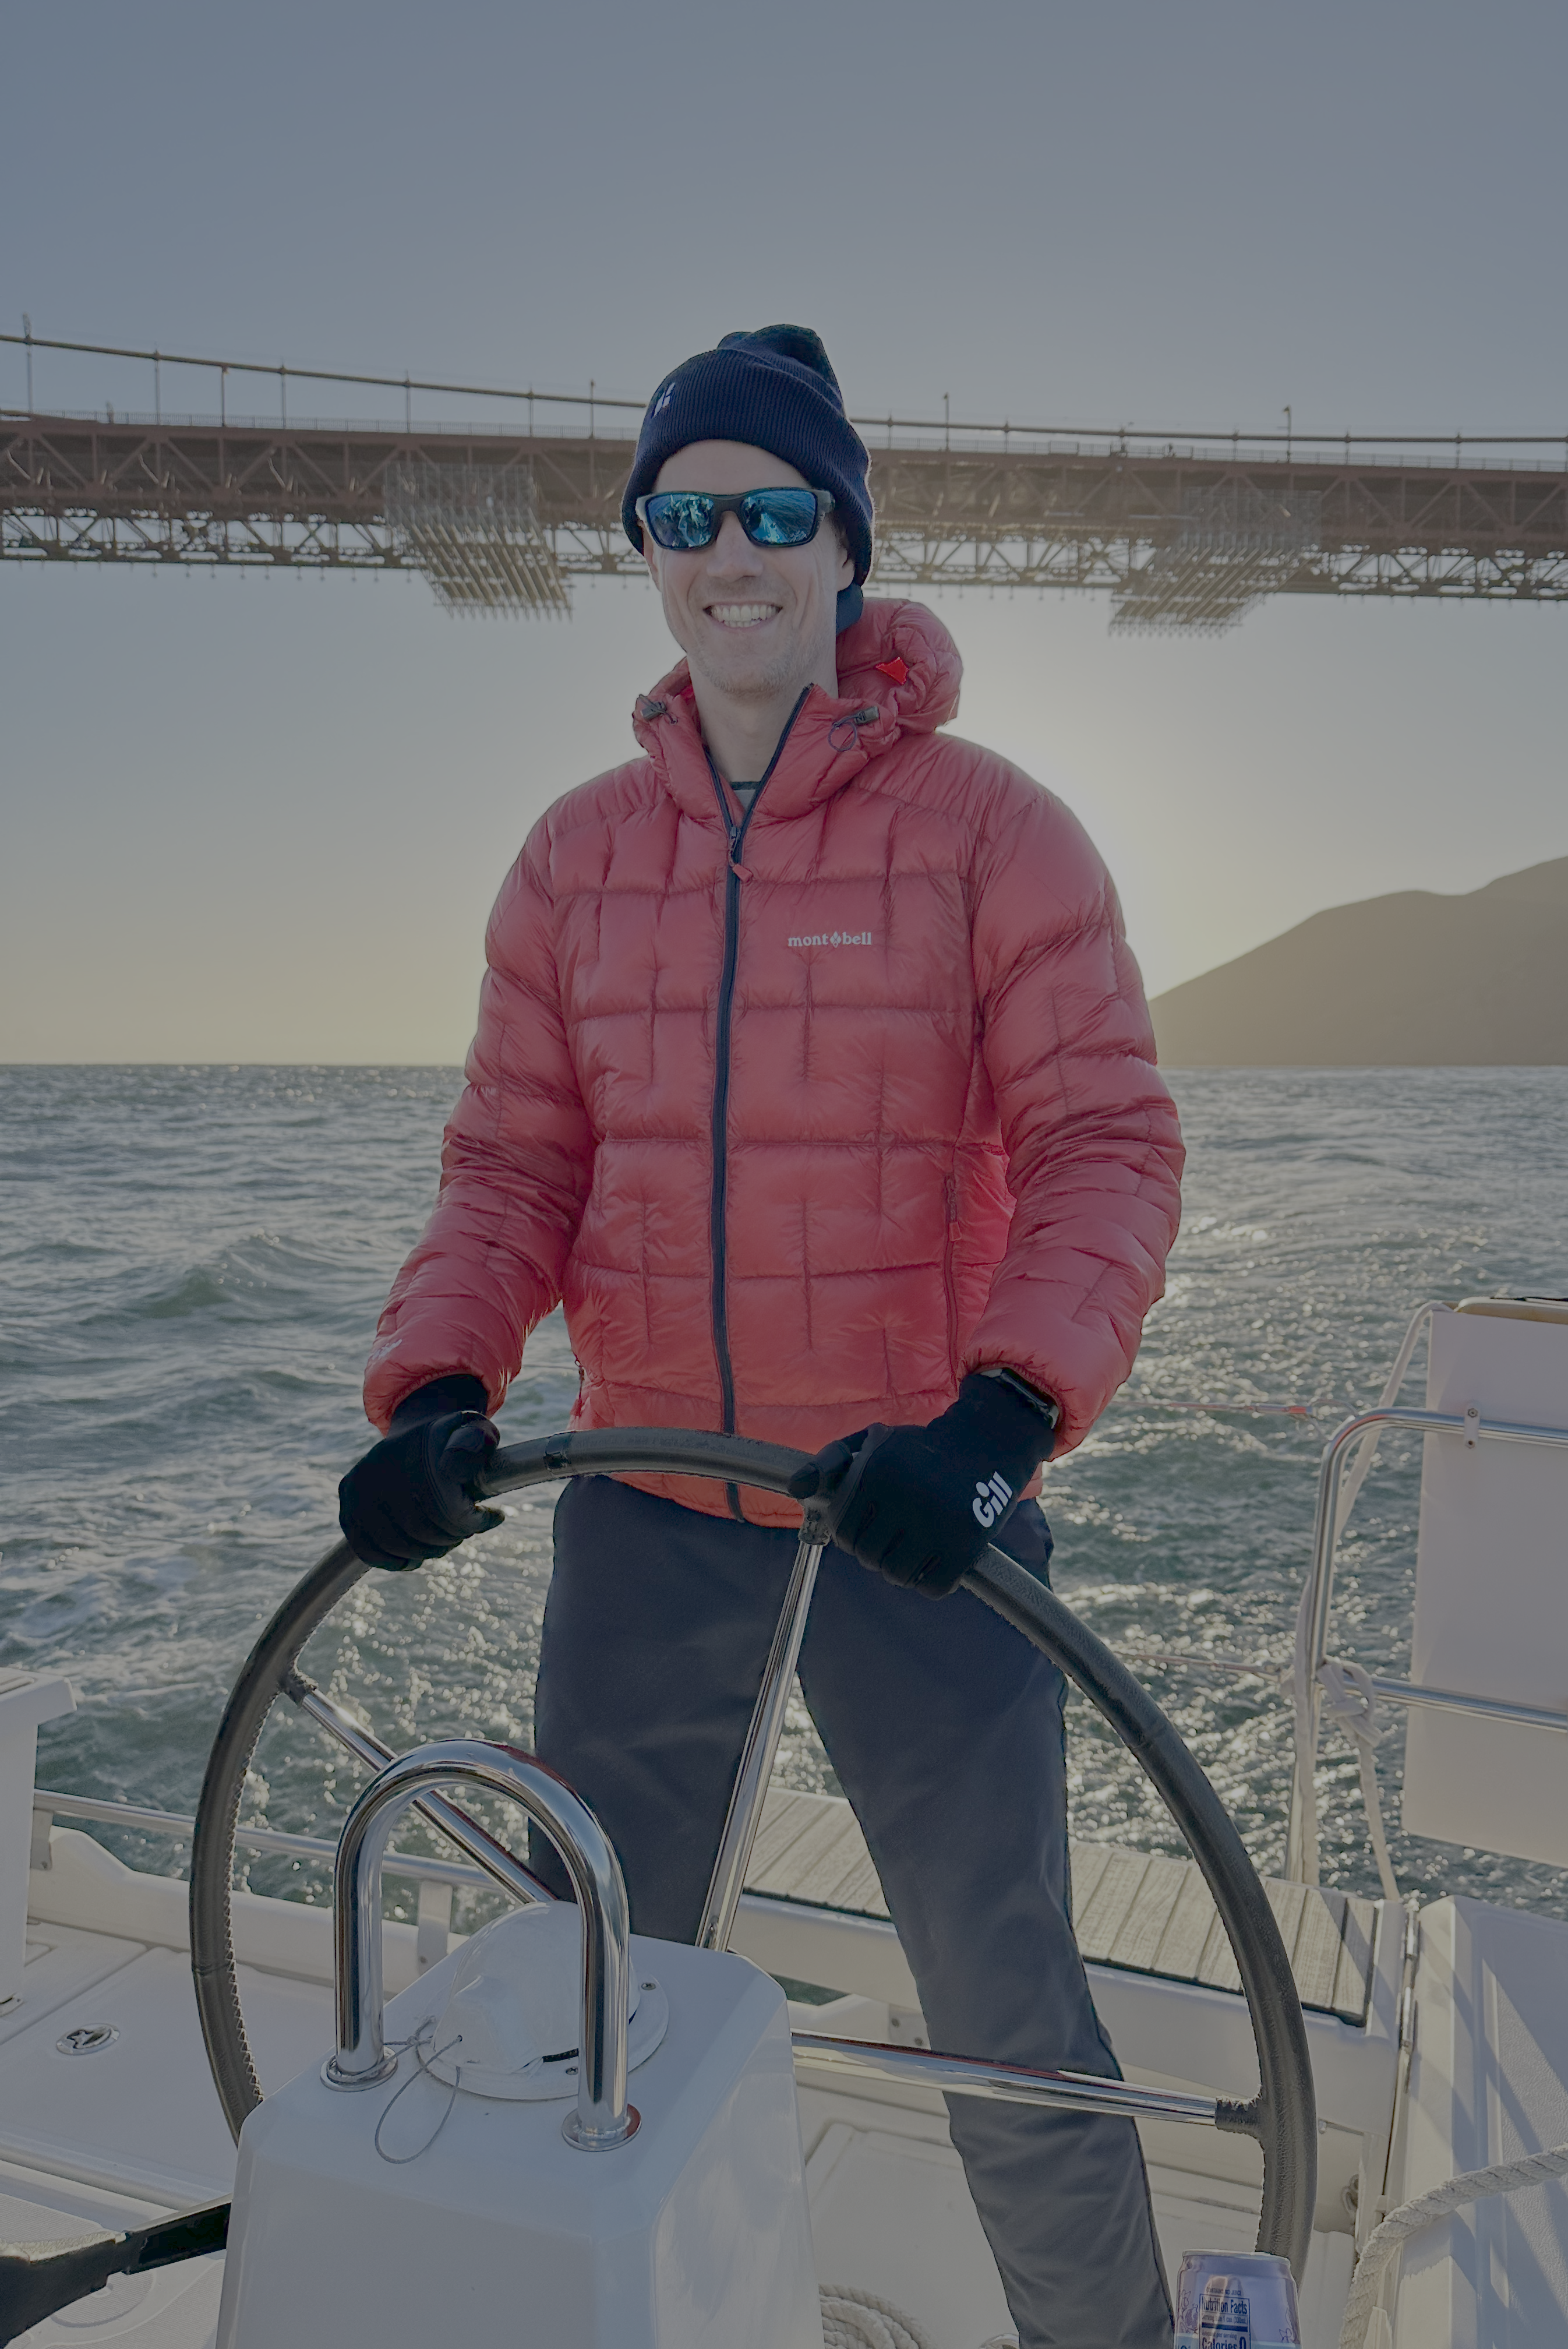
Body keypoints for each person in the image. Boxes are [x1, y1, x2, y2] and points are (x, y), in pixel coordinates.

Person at [338, 325, 1185, 2349]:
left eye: (778, 510)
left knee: (1004, 2000)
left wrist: (1002, 1415)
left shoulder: (997, 830)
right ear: (645, 544)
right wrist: (440, 1383)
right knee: (579, 1978)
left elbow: (1107, 1147)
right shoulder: (569, 858)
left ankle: (1115, 2339)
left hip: (917, 1500)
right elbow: (513, 1165)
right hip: (649, 1492)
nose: (735, 552)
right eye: (690, 512)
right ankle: (559, 2307)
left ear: (847, 549)